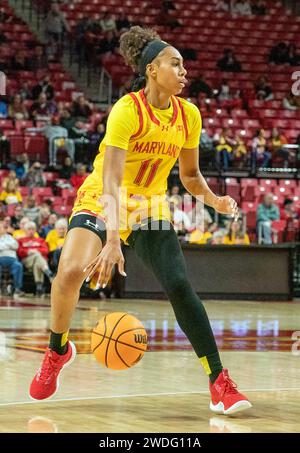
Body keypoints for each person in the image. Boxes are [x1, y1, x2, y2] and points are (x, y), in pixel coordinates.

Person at [29, 25, 251, 415]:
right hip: (104, 196)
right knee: (69, 272)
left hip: (149, 206)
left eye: (184, 66)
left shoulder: (189, 115)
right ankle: (57, 349)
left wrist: (214, 201)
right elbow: (113, 177)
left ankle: (219, 381)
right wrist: (113, 239)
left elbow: (189, 176)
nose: (184, 71)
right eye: (176, 63)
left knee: (179, 284)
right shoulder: (127, 110)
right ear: (152, 69)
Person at [18, 221, 53, 296]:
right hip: (27, 260)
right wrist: (29, 252)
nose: (31, 231)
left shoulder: (40, 240)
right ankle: (48, 272)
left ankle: (39, 287)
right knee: (37, 256)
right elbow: (19, 252)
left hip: (39, 260)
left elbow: (46, 250)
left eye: (33, 229)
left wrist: (36, 251)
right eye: (29, 229)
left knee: (37, 263)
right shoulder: (21, 240)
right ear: (25, 230)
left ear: (35, 230)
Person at [0, 220, 25, 298]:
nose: (3, 229)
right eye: (2, 227)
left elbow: (16, 246)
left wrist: (4, 245)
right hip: (0, 258)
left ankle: (17, 288)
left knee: (19, 266)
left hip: (12, 259)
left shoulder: (10, 237)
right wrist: (8, 246)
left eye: (4, 228)